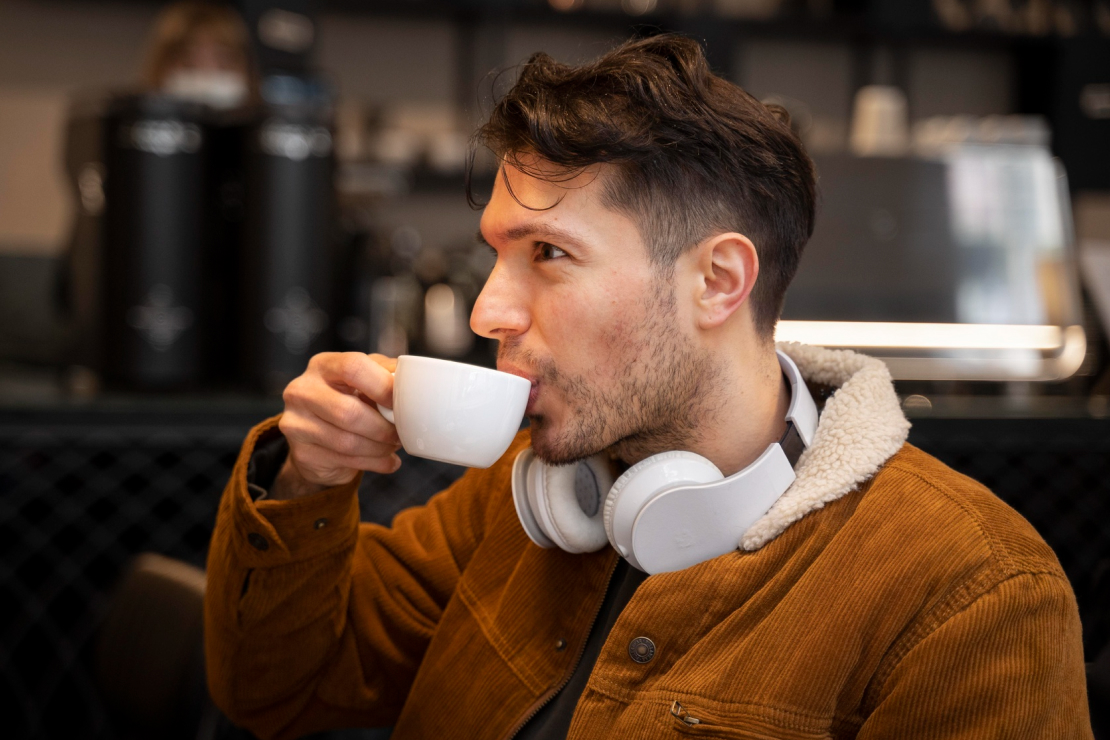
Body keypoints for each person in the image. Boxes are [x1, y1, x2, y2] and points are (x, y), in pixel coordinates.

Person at [204, 35, 1093, 739]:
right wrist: (306, 482)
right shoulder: (517, 504)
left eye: (549, 255)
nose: (487, 311)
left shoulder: (969, 598)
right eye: (497, 255)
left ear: (717, 281)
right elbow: (276, 691)